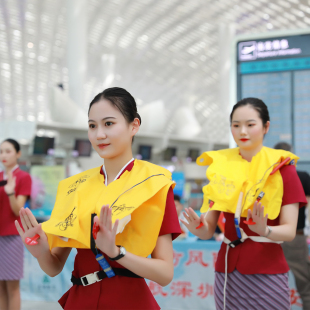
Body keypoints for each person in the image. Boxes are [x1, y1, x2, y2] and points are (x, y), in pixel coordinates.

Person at [15, 87, 181, 310]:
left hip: (128, 302)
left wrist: (116, 253)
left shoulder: (156, 183)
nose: (99, 134)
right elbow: (54, 268)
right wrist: (42, 251)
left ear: (134, 125)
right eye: (92, 125)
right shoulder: (75, 187)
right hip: (80, 301)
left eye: (109, 124)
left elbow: (165, 274)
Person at [181, 98, 307, 310]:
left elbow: (289, 231)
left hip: (268, 270)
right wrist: (198, 229)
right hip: (228, 270)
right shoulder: (221, 168)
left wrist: (264, 230)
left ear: (266, 126)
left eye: (250, 124)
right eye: (236, 125)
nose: (243, 131)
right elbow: (208, 229)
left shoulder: (283, 168)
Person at [274, 141, 310, 310]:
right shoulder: (301, 176)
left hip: (271, 236)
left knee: (268, 280)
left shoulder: (268, 177)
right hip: (296, 235)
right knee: (304, 281)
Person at [0, 139, 32, 310]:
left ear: (18, 154)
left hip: (12, 236)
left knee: (12, 286)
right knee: (0, 287)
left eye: (8, 151)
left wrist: (10, 193)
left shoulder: (23, 177)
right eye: (1, 151)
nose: (3, 155)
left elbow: (18, 209)